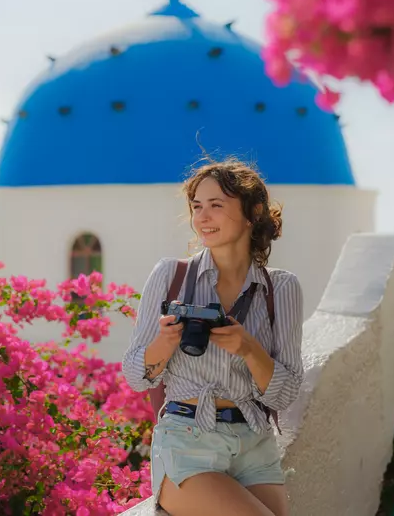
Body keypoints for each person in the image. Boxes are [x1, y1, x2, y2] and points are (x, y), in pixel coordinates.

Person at [122, 158, 304, 516]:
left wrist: (249, 348)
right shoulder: (170, 276)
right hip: (186, 439)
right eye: (196, 207)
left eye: (216, 205)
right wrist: (164, 342)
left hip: (254, 443)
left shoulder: (280, 288)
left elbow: (286, 393)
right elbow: (134, 375)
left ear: (252, 213)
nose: (202, 217)